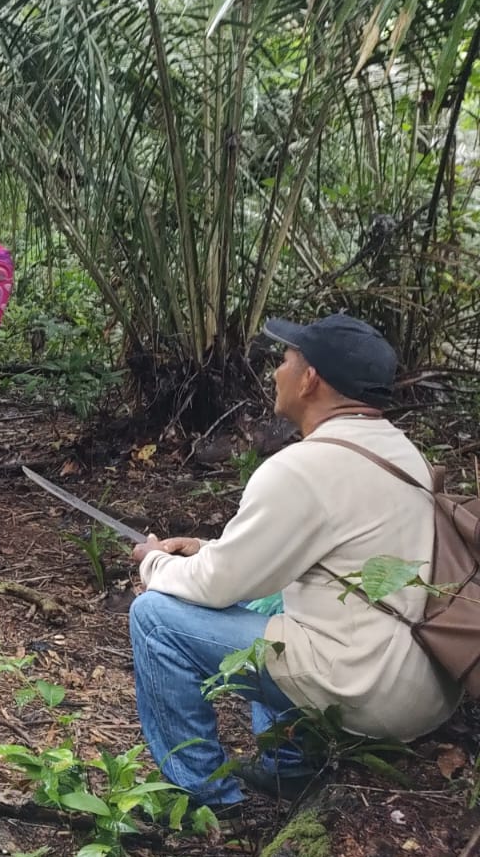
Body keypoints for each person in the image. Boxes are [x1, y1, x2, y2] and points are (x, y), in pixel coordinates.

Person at [129, 315, 462, 807]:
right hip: (425, 687)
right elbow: (310, 556)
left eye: (285, 361)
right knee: (270, 599)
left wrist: (154, 564)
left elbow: (219, 586)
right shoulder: (400, 451)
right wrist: (207, 548)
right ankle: (288, 767)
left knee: (155, 619)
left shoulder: (301, 468)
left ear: (310, 379)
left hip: (367, 689)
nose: (275, 373)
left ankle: (204, 801)